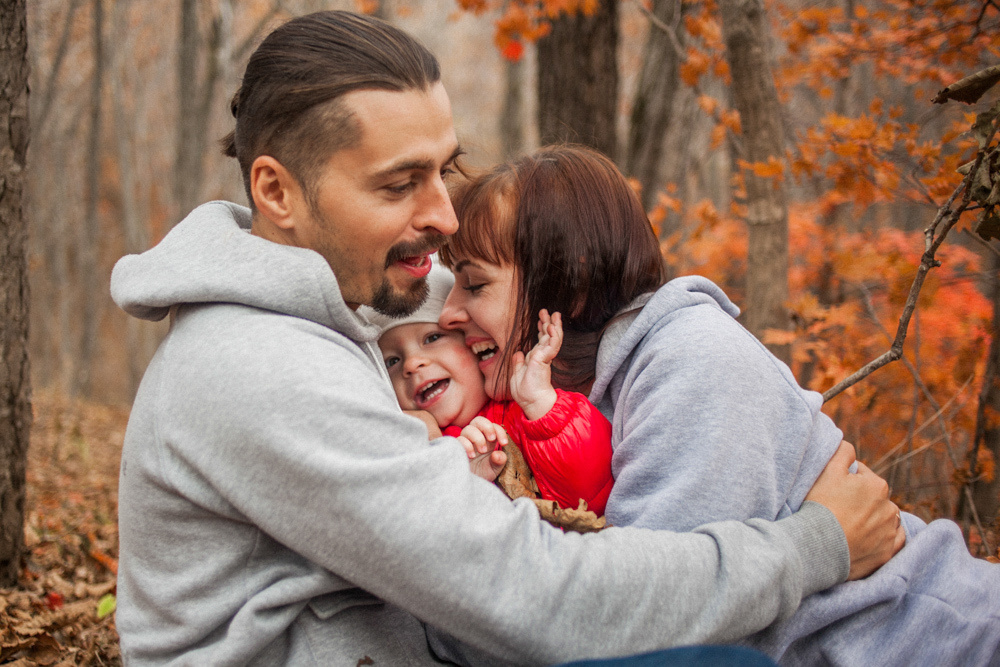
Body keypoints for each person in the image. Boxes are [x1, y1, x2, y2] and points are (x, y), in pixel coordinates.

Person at [109, 11, 902, 665]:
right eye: (399, 183)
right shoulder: (258, 366)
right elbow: (540, 595)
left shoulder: (361, 293)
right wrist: (813, 545)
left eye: (444, 172)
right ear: (276, 191)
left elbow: (516, 289)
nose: (442, 215)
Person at [437, 144, 1000, 666]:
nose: (448, 313)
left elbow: (643, 627)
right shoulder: (539, 410)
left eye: (475, 285)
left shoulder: (688, 356)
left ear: (572, 280)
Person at [364, 262, 614, 515]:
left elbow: (590, 494)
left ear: (474, 345)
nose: (411, 364)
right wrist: (436, 455)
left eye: (432, 338)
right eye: (391, 361)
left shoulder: (524, 413)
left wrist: (541, 405)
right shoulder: (405, 443)